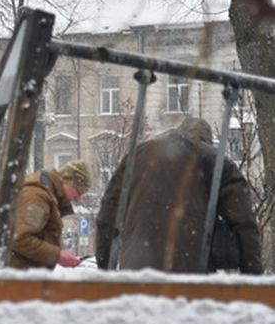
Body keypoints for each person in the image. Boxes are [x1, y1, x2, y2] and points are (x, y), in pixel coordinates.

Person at [96, 117, 262, 274]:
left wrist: (105, 269)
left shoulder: (139, 155)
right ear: (207, 142)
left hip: (137, 273)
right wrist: (253, 278)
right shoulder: (217, 164)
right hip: (189, 276)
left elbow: (108, 216)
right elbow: (245, 225)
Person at [10, 159, 93, 269]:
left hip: (24, 275)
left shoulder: (46, 196)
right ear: (68, 182)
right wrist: (58, 255)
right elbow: (20, 238)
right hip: (19, 278)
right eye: (78, 191)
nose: (78, 199)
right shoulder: (37, 198)